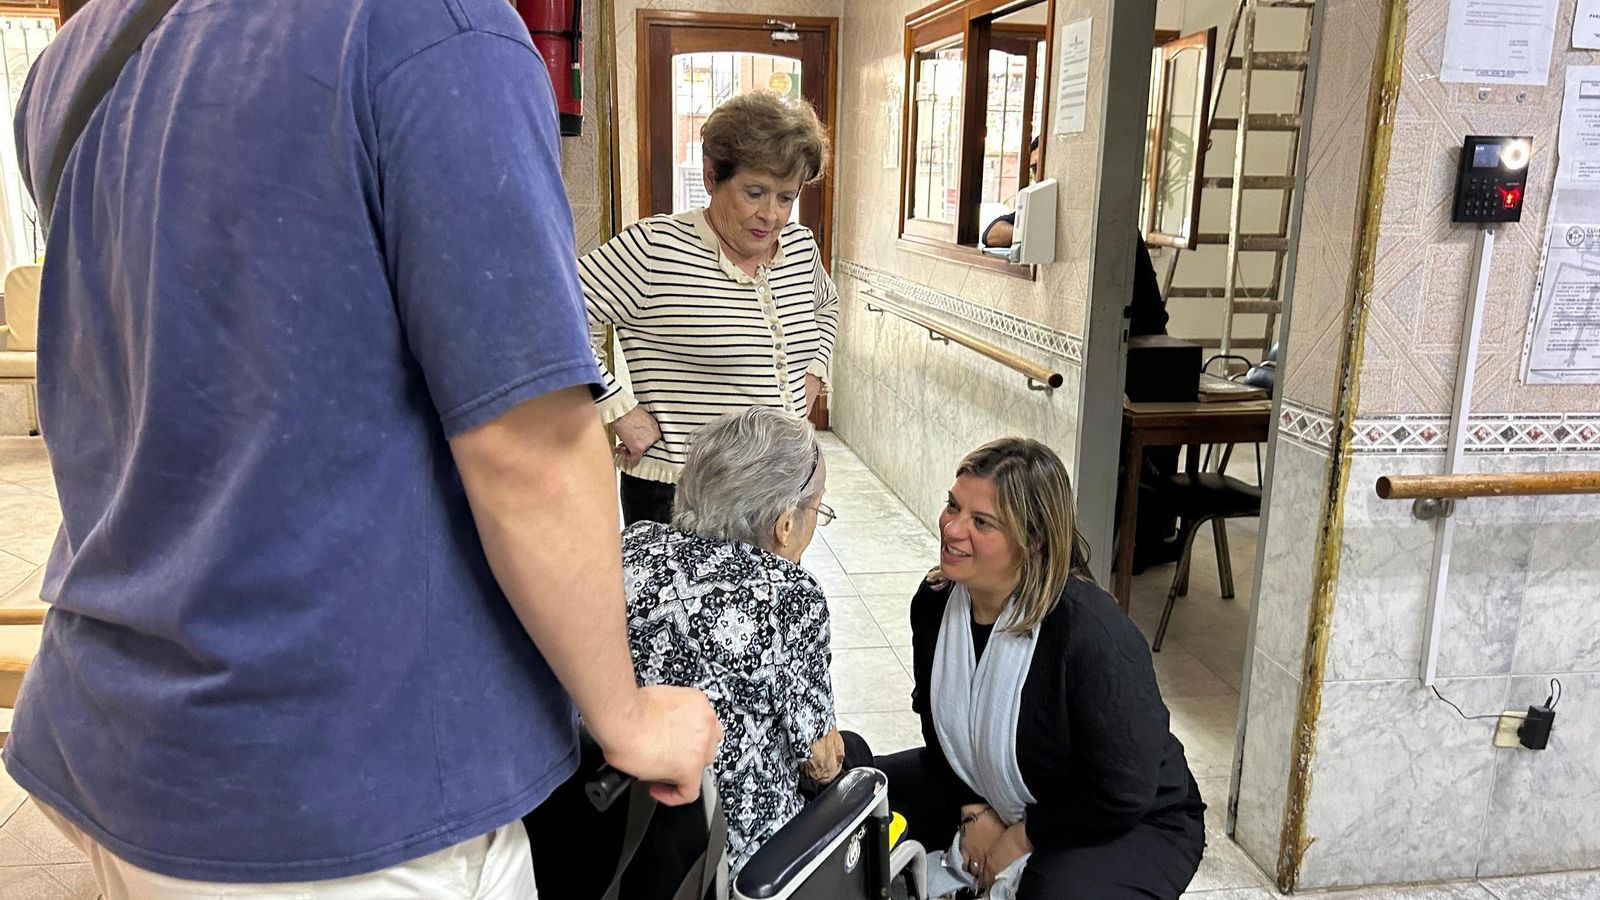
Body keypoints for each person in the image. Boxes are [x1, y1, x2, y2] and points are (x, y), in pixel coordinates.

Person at [5, 2, 719, 897]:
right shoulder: (432, 28)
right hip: (338, 801)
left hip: (113, 734)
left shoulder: (79, 52)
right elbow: (529, 453)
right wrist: (627, 716)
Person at [529, 406, 868, 898]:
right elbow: (818, 759)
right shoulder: (791, 595)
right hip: (732, 859)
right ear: (784, 524)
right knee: (854, 756)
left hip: (609, 828)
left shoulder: (632, 545)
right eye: (817, 510)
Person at [876, 438, 1205, 900]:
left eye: (981, 522)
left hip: (1134, 817)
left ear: (1032, 540)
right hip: (994, 786)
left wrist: (1021, 835)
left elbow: (1121, 790)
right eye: (953, 505)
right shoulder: (935, 604)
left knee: (1053, 891)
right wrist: (973, 811)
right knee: (865, 797)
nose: (952, 528)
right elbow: (938, 731)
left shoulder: (1089, 633)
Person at [581, 91, 839, 525]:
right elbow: (552, 317)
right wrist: (618, 409)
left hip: (777, 491)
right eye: (754, 192)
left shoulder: (799, 248)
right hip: (683, 496)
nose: (771, 215)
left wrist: (814, 371)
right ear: (710, 176)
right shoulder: (655, 248)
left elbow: (826, 306)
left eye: (785, 197)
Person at [982, 137, 1169, 338]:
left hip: (1141, 339)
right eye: (1035, 170)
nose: (1038, 178)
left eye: (1042, 167)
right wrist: (1028, 230)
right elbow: (990, 233)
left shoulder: (1100, 212)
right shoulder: (1043, 208)